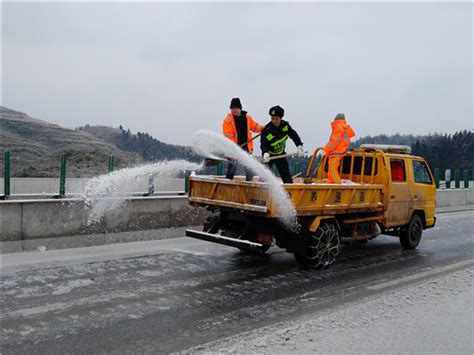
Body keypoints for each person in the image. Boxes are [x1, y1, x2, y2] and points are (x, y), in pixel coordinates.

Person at [260, 105, 304, 183]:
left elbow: (294, 135)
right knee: (264, 175)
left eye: (276, 119)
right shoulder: (267, 130)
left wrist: (299, 145)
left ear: (281, 118)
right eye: (272, 118)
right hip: (269, 156)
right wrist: (265, 152)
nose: (274, 121)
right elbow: (263, 144)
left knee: (286, 175)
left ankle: (289, 192)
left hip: (280, 154)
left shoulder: (285, 126)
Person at [222, 98, 263, 181]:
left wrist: (263, 129)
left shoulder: (247, 118)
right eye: (232, 108)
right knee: (232, 168)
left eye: (236, 108)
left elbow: (255, 126)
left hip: (245, 147)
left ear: (240, 108)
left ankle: (249, 183)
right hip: (233, 148)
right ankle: (228, 183)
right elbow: (229, 138)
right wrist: (234, 150)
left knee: (249, 168)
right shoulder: (228, 121)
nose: (234, 110)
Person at [322, 113, 356, 184]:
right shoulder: (344, 127)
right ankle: (332, 183)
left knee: (332, 169)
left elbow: (334, 141)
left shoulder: (338, 126)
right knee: (331, 169)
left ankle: (337, 184)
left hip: (337, 152)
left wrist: (326, 150)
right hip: (339, 151)